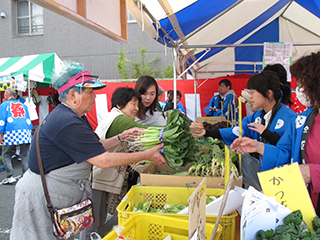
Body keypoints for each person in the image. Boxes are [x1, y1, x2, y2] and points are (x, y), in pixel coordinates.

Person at [10, 62, 166, 240]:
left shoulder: (76, 117)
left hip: (56, 196)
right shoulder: (67, 121)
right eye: (90, 92)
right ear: (73, 94)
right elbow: (103, 160)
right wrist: (147, 155)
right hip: (38, 197)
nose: (95, 96)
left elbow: (95, 145)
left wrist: (121, 137)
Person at [231, 51, 320, 215]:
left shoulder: (291, 117)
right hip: (306, 206)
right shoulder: (302, 120)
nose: (299, 89)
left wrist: (315, 173)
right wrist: (259, 147)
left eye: (302, 83)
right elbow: (285, 152)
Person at [191, 71, 296, 190]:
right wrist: (207, 132)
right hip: (260, 178)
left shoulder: (290, 119)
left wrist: (267, 135)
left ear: (268, 93)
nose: (250, 96)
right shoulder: (255, 117)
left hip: (282, 182)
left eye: (252, 92)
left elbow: (290, 152)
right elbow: (236, 131)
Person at [81, 87, 148, 238]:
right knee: (94, 222)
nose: (137, 109)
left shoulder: (114, 117)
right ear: (119, 105)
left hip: (100, 177)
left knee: (98, 221)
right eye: (134, 104)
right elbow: (147, 131)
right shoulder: (120, 119)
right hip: (96, 178)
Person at [0, 88, 33, 184]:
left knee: (6, 154)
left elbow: (2, 121)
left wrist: (1, 134)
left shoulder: (4, 105)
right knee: (24, 155)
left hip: (11, 131)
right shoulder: (23, 105)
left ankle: (10, 176)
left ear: (6, 95)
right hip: (25, 132)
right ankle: (26, 176)